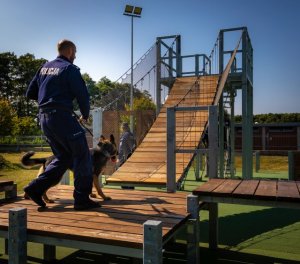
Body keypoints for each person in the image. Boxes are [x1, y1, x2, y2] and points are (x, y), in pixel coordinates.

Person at [24, 39, 100, 210]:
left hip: (44, 119)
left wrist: (49, 101)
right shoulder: (70, 69)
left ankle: (35, 188)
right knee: (83, 156)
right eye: (76, 52)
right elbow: (83, 96)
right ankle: (81, 199)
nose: (76, 56)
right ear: (71, 51)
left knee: (64, 157)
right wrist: (85, 114)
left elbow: (30, 93)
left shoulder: (44, 67)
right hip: (62, 119)